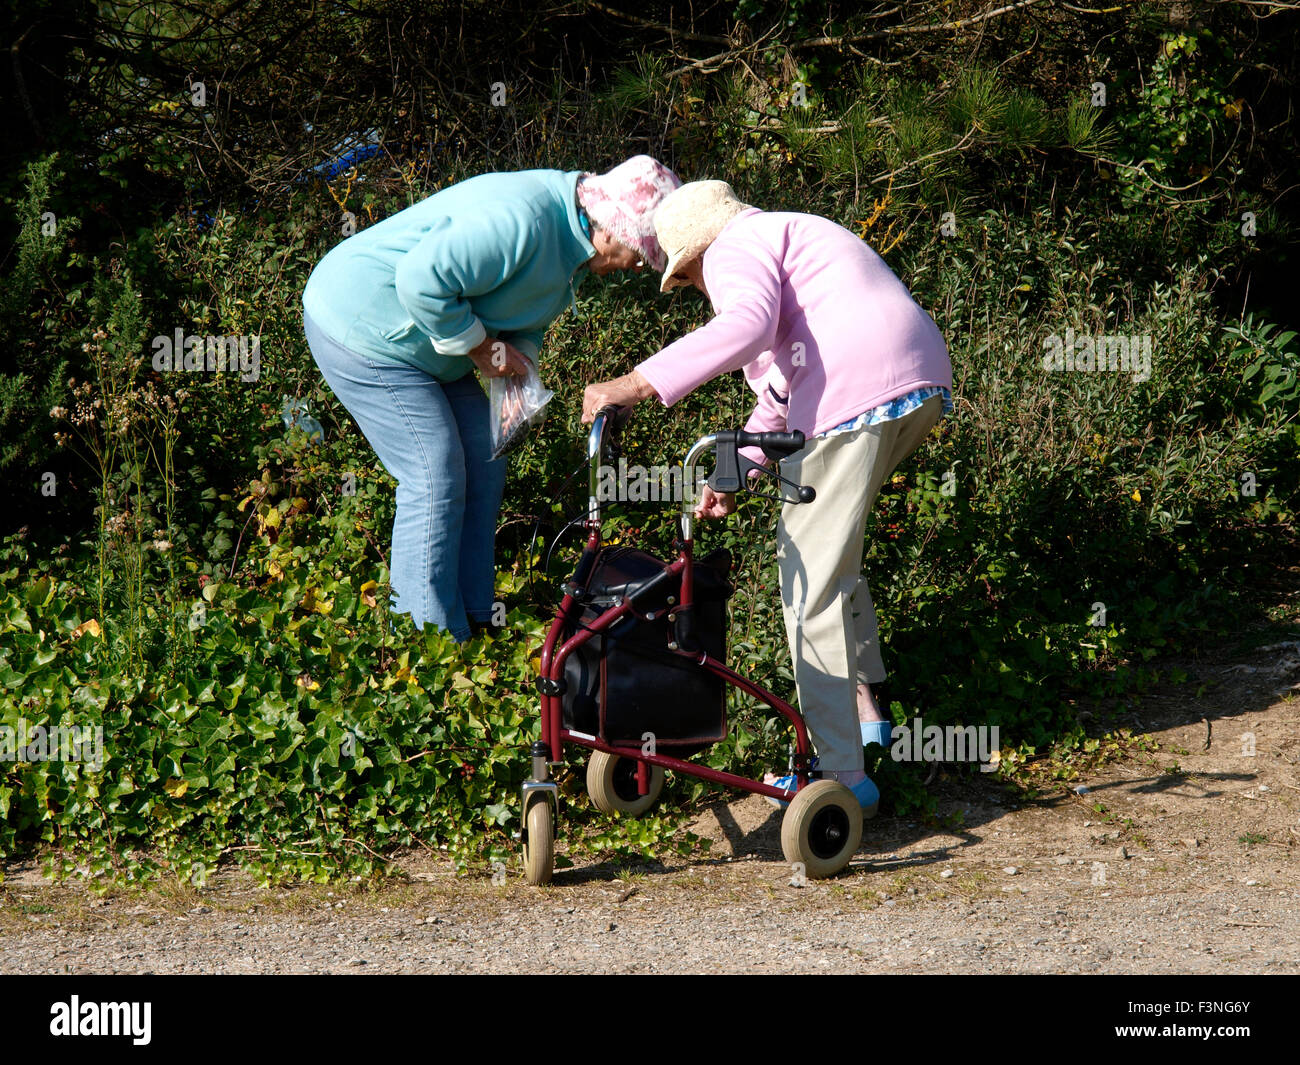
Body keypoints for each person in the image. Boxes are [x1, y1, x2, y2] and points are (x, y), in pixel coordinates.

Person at [580, 180, 953, 814]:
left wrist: (637, 383)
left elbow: (746, 327)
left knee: (808, 581)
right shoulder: (794, 239)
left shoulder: (736, 245)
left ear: (698, 251)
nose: (698, 290)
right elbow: (781, 392)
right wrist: (733, 472)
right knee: (836, 559)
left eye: (689, 279)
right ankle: (867, 720)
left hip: (856, 397)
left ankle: (839, 777)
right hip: (915, 385)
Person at [303, 156, 680, 641]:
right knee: (433, 470)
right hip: (361, 323)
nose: (628, 270)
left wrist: (520, 380)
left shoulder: (577, 246)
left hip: (428, 350)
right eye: (636, 257)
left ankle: (475, 618)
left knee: (486, 456)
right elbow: (420, 281)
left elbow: (527, 319)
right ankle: (426, 643)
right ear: (616, 230)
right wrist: (481, 347)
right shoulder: (522, 219)